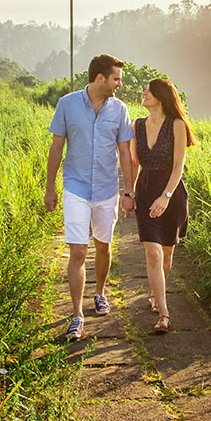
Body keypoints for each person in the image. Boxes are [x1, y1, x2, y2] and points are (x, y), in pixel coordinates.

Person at [45, 53, 135, 341]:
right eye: (117, 78)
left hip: (107, 189)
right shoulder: (67, 104)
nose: (120, 83)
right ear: (100, 78)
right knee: (79, 251)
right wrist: (50, 187)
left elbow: (125, 152)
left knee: (103, 246)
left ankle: (99, 292)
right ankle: (76, 315)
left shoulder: (120, 110)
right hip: (75, 187)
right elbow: (56, 147)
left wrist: (129, 191)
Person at [128, 76, 196, 333]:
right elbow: (134, 163)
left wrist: (165, 196)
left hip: (172, 194)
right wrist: (130, 194)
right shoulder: (138, 125)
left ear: (161, 96)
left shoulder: (177, 124)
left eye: (149, 90)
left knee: (166, 254)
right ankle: (164, 315)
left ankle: (157, 295)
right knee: (153, 253)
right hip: (146, 191)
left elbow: (178, 166)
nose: (144, 93)